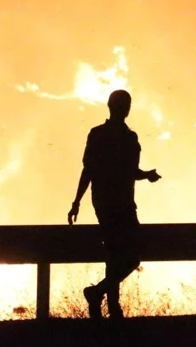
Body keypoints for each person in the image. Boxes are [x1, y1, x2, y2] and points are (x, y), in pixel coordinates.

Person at [68, 89, 161, 319]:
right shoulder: (121, 137)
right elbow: (91, 170)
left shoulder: (115, 136)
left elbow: (98, 170)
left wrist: (145, 175)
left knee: (118, 255)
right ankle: (107, 301)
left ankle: (105, 300)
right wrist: (77, 201)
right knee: (127, 256)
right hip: (113, 203)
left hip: (113, 202)